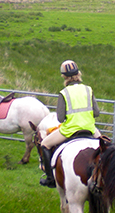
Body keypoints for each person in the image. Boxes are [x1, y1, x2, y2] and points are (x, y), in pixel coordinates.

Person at [39, 60, 101, 188]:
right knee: (108, 146)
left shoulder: (64, 93)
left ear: (64, 77)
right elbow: (96, 112)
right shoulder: (88, 90)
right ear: (79, 73)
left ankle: (50, 178)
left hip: (70, 130)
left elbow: (61, 118)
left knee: (44, 144)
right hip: (90, 128)